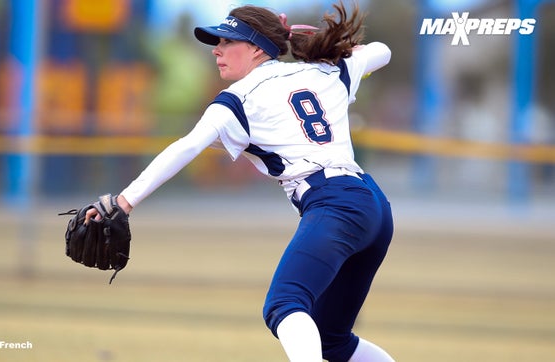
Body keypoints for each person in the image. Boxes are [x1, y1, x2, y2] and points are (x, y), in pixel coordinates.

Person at [87, 2, 393, 361]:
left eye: (227, 40)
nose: (216, 49)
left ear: (257, 48)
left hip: (334, 204)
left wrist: (124, 202)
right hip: (374, 206)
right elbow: (382, 53)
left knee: (285, 304)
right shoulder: (325, 71)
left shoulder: (237, 101)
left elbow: (185, 148)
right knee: (331, 340)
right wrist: (307, 42)